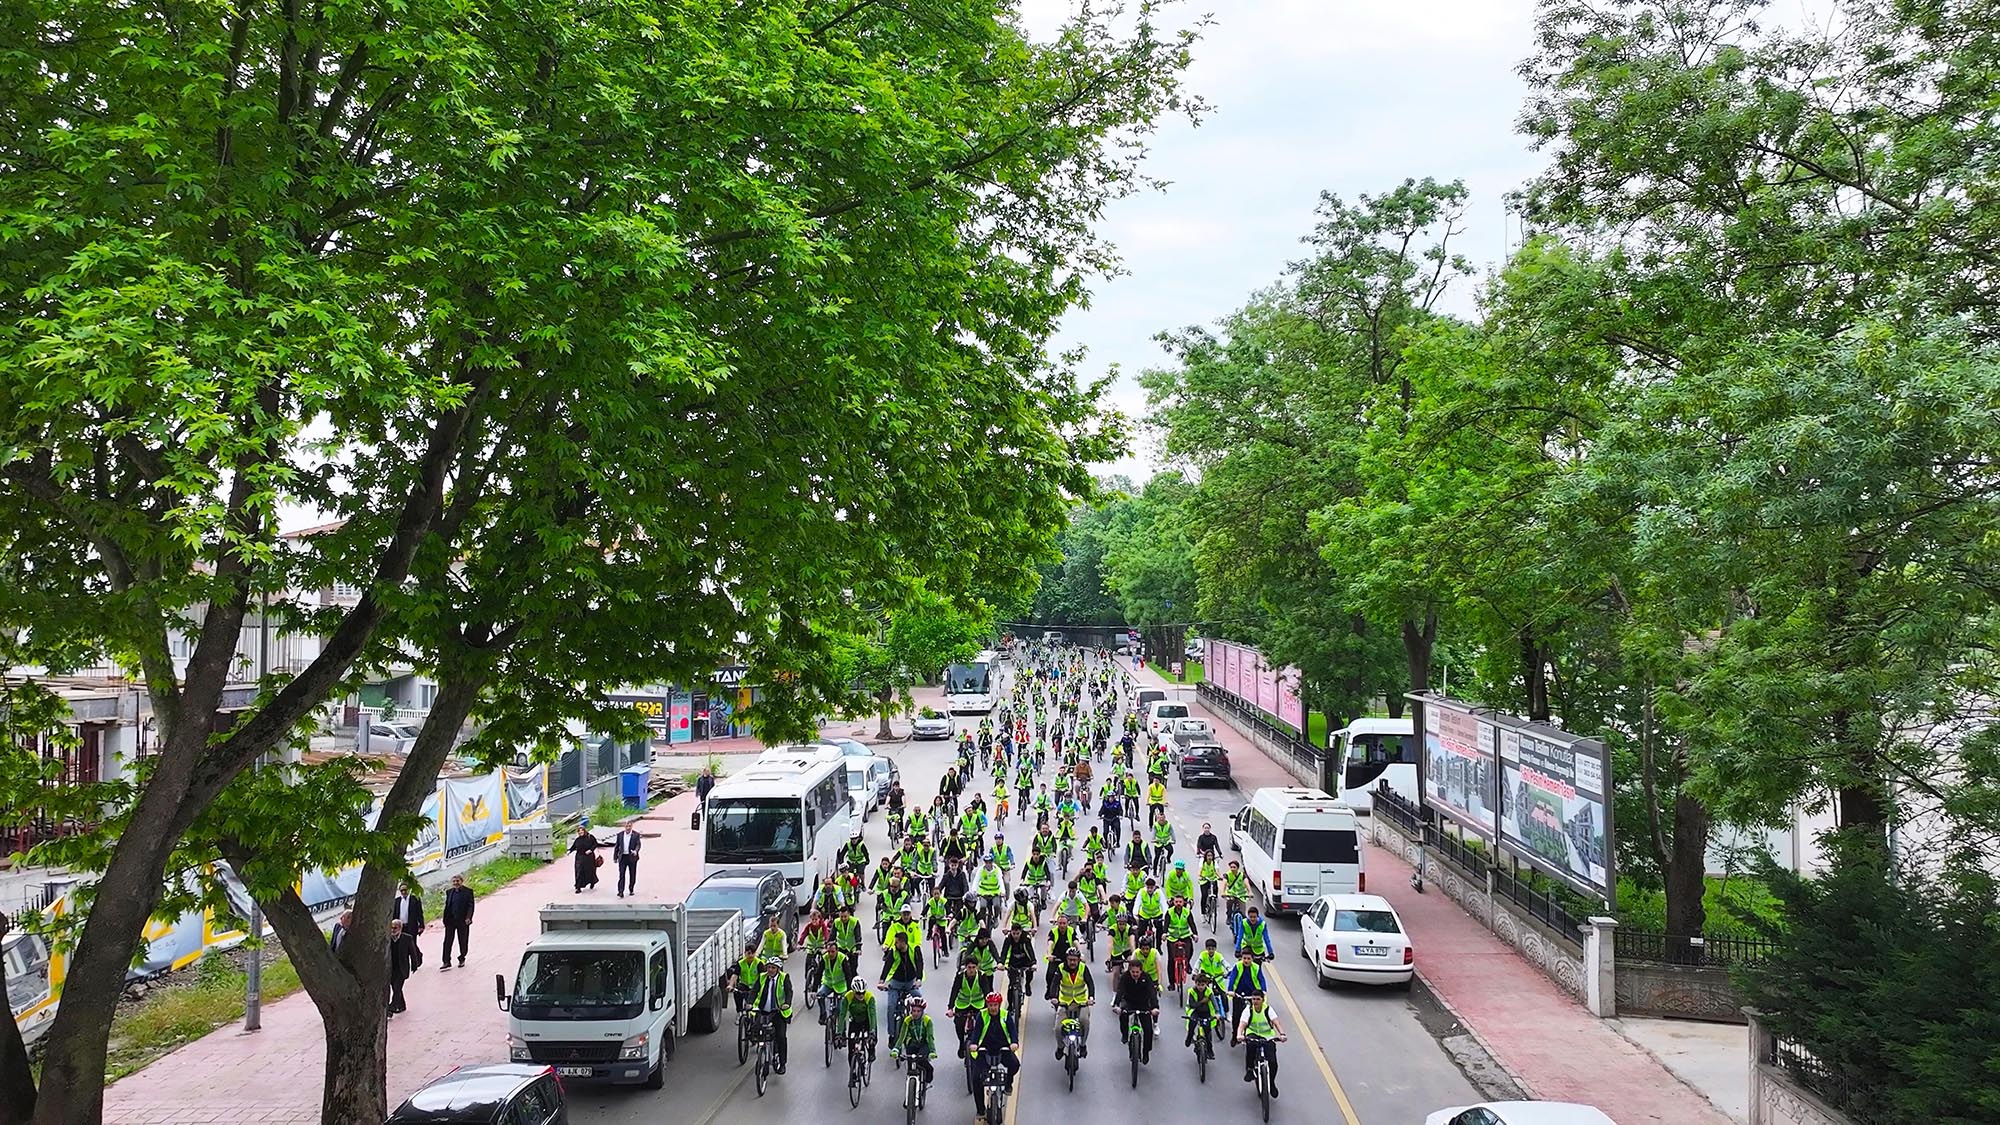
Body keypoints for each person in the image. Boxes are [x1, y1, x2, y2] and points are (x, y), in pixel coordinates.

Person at [967, 993, 1020, 1118]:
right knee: (976, 1078)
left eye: (995, 1005)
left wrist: (1014, 1043)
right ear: (987, 1005)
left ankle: (1008, 1084)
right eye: (990, 1005)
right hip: (984, 1050)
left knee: (1015, 1065)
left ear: (999, 1005)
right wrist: (974, 1044)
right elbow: (977, 1032)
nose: (993, 1008)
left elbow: (1013, 1031)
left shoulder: (1006, 1015)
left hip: (1003, 1049)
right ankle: (980, 1110)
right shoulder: (982, 1015)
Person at [1046, 947, 1095, 1058]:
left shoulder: (1083, 968)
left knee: (1085, 1021)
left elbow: (1090, 983)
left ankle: (1083, 1045)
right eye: (1070, 960)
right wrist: (1053, 997)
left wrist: (1091, 997)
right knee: (1058, 1028)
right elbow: (1055, 984)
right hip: (1065, 1002)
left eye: (1074, 960)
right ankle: (1060, 1047)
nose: (1072, 962)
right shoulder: (1061, 968)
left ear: (1078, 960)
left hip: (1081, 1002)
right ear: (1066, 960)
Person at [1237, 992, 1288, 1098]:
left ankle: (1271, 1083)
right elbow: (1242, 1024)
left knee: (1273, 1062)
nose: (1255, 1001)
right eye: (1253, 999)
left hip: (1267, 1036)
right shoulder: (1248, 1010)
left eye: (1258, 999)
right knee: (1250, 1046)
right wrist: (1239, 1035)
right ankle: (1250, 1069)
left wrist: (1282, 1034)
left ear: (1263, 1000)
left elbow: (1276, 1022)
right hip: (1253, 1033)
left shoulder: (1268, 1009)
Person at [1111, 957, 1160, 1063]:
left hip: (1143, 1004)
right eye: (1133, 972)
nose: (1135, 974)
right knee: (1123, 1016)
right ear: (1129, 971)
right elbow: (1120, 991)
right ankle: (1125, 1035)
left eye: (1137, 972)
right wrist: (1116, 1005)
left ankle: (1146, 1051)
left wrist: (1155, 1007)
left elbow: (1152, 993)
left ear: (1141, 971)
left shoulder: (1146, 978)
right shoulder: (1125, 977)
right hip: (1129, 1002)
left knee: (1148, 1030)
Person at [753, 954, 795, 1072]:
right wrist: (750, 1003)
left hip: (779, 1012)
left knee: (781, 1037)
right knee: (756, 1030)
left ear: (778, 969)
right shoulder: (762, 977)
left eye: (773, 968)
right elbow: (754, 991)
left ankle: (782, 1063)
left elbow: (789, 992)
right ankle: (762, 1050)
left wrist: (787, 1003)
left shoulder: (784, 977)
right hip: (764, 1011)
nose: (770, 970)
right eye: (769, 967)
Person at [879, 929, 924, 1041]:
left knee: (919, 1002)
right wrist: (881, 981)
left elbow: (919, 964)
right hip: (895, 984)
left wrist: (918, 979)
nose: (895, 944)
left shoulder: (915, 949)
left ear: (904, 942)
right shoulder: (893, 951)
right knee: (891, 1006)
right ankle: (892, 1034)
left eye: (897, 942)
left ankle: (920, 1031)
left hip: (910, 983)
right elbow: (887, 965)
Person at [947, 956, 991, 1053]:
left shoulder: (982, 976)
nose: (971, 970)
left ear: (977, 967)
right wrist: (950, 1008)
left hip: (978, 1004)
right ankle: (961, 1043)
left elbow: (986, 992)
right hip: (962, 1004)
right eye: (969, 967)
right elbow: (954, 991)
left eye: (973, 967)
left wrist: (989, 1006)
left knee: (984, 1023)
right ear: (966, 967)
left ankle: (981, 1042)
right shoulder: (960, 976)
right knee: (959, 1023)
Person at [1225, 949, 1266, 1046]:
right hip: (1238, 994)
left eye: (1248, 958)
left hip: (1252, 995)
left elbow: (1261, 979)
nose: (1246, 961)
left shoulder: (1256, 967)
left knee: (1253, 1015)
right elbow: (1232, 979)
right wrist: (1231, 990)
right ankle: (1235, 1035)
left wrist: (1263, 990)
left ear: (1252, 959)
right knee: (1236, 1016)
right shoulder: (1237, 966)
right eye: (1244, 958)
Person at [896, 995, 938, 1088]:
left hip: (924, 1044)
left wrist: (932, 1051)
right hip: (912, 1045)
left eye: (918, 1011)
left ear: (922, 1011)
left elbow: (930, 1037)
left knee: (922, 1062)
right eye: (914, 1011)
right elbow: (901, 1037)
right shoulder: (908, 1020)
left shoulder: (927, 1020)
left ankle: (925, 1084)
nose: (915, 1013)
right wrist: (896, 1049)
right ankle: (909, 1094)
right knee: (910, 1069)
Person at [839, 976, 879, 1061]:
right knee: (851, 1044)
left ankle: (871, 1052)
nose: (861, 995)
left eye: (863, 992)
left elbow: (872, 1015)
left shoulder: (869, 997)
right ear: (853, 992)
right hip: (855, 1020)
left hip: (867, 1020)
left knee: (871, 1040)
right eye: (858, 993)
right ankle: (852, 1071)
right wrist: (839, 1032)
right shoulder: (848, 997)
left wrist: (872, 1031)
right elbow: (842, 1015)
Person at [439, 874, 474, 969]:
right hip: (450, 921)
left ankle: (462, 958)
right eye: (454, 881)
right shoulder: (449, 892)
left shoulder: (468, 892)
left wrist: (469, 917)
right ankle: (446, 961)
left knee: (463, 941)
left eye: (457, 881)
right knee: (447, 942)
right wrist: (445, 919)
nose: (456, 883)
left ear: (461, 881)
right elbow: (447, 906)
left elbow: (471, 906)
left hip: (462, 921)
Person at [1184, 970, 1223, 1048]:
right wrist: (1202, 1001)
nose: (1200, 987)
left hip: (1206, 1012)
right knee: (1192, 1024)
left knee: (1207, 1031)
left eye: (1203, 985)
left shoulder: (1209, 992)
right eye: (1198, 985)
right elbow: (1192, 1005)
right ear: (1195, 984)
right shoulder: (1191, 991)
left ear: (1206, 984)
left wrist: (1217, 1013)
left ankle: (1209, 1049)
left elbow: (1214, 1003)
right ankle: (1189, 1037)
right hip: (1195, 1012)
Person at [386, 919, 415, 1017]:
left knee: (398, 987)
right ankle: (402, 1005)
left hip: (402, 968)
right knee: (395, 987)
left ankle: (392, 1007)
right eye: (391, 928)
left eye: (395, 928)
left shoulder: (407, 938)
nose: (393, 930)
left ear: (400, 928)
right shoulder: (388, 939)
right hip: (391, 968)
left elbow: (413, 952)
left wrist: (415, 965)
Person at [612, 821, 643, 897]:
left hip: (632, 857)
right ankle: (620, 891)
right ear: (624, 827)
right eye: (627, 826)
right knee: (621, 874)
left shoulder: (636, 835)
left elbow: (638, 844)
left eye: (629, 826)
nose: (628, 828)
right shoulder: (620, 835)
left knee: (632, 874)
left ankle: (631, 888)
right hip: (623, 857)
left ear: (631, 826)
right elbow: (617, 846)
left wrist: (636, 851)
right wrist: (615, 857)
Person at [568, 825, 603, 893]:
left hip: (589, 857)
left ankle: (592, 882)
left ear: (584, 831)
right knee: (579, 871)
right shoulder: (578, 839)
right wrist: (569, 851)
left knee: (590, 871)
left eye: (582, 830)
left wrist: (591, 850)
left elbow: (595, 844)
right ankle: (578, 887)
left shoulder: (590, 837)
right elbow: (573, 847)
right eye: (579, 831)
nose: (580, 832)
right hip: (579, 857)